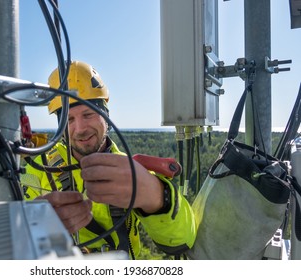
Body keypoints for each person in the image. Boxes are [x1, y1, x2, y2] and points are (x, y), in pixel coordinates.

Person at [21, 60, 196, 259]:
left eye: (88, 114)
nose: (80, 129)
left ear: (105, 114)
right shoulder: (39, 169)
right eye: (69, 119)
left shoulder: (129, 170)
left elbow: (183, 239)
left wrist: (158, 197)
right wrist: (34, 230)